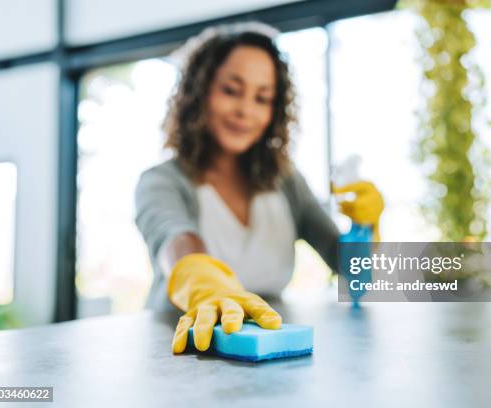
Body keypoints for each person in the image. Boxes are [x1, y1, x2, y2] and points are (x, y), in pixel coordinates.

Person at [134, 22, 384, 355]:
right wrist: (205, 285)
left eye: (262, 98)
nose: (245, 110)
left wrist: (364, 229)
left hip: (270, 348)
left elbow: (351, 271)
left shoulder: (286, 182)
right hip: (187, 347)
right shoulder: (162, 181)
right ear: (199, 92)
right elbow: (177, 240)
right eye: (231, 90)